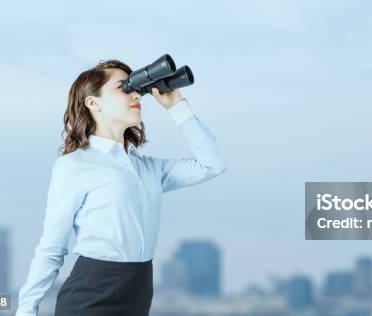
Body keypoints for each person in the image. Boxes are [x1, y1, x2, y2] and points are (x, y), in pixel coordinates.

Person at [15, 60, 227, 316]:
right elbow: (51, 248)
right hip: (90, 295)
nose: (136, 94)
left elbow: (212, 164)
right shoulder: (74, 166)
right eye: (124, 87)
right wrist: (26, 310)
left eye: (136, 87)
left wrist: (178, 109)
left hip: (138, 293)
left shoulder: (149, 168)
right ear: (93, 103)